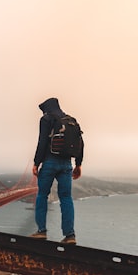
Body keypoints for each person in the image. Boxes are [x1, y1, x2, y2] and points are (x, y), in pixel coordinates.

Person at [30, 97, 83, 244]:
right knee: (66, 198)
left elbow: (42, 141)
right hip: (67, 164)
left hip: (49, 162)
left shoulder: (46, 119)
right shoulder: (71, 120)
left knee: (42, 195)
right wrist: (78, 164)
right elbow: (81, 142)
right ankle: (70, 235)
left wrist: (36, 163)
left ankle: (41, 231)